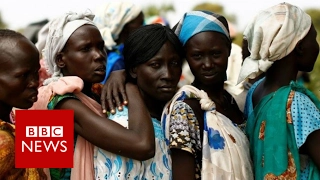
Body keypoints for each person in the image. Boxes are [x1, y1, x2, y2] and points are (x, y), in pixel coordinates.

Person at [30, 11, 155, 180]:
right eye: (86, 49)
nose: (99, 55)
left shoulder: (95, 93)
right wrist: (129, 84)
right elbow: (142, 146)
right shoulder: (60, 103)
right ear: (61, 59)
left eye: (100, 46)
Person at [161, 10, 253, 180]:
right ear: (187, 57)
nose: (208, 64)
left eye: (216, 54)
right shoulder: (186, 109)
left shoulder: (232, 101)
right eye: (197, 56)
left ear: (229, 50)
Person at [238, 2, 320, 179]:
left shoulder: (255, 92)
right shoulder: (297, 102)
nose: (317, 46)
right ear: (299, 47)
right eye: (314, 38)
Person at [95, 23, 184, 179]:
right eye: (155, 65)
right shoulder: (122, 123)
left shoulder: (175, 112)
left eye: (175, 64)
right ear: (133, 70)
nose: (168, 74)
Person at [0, 29, 49, 179]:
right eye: (23, 75)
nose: (35, 83)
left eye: (36, 73)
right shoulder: (4, 141)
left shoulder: (20, 120)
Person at [93, 1, 144, 85]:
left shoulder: (106, 54)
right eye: (141, 23)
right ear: (126, 26)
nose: (143, 28)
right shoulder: (118, 62)